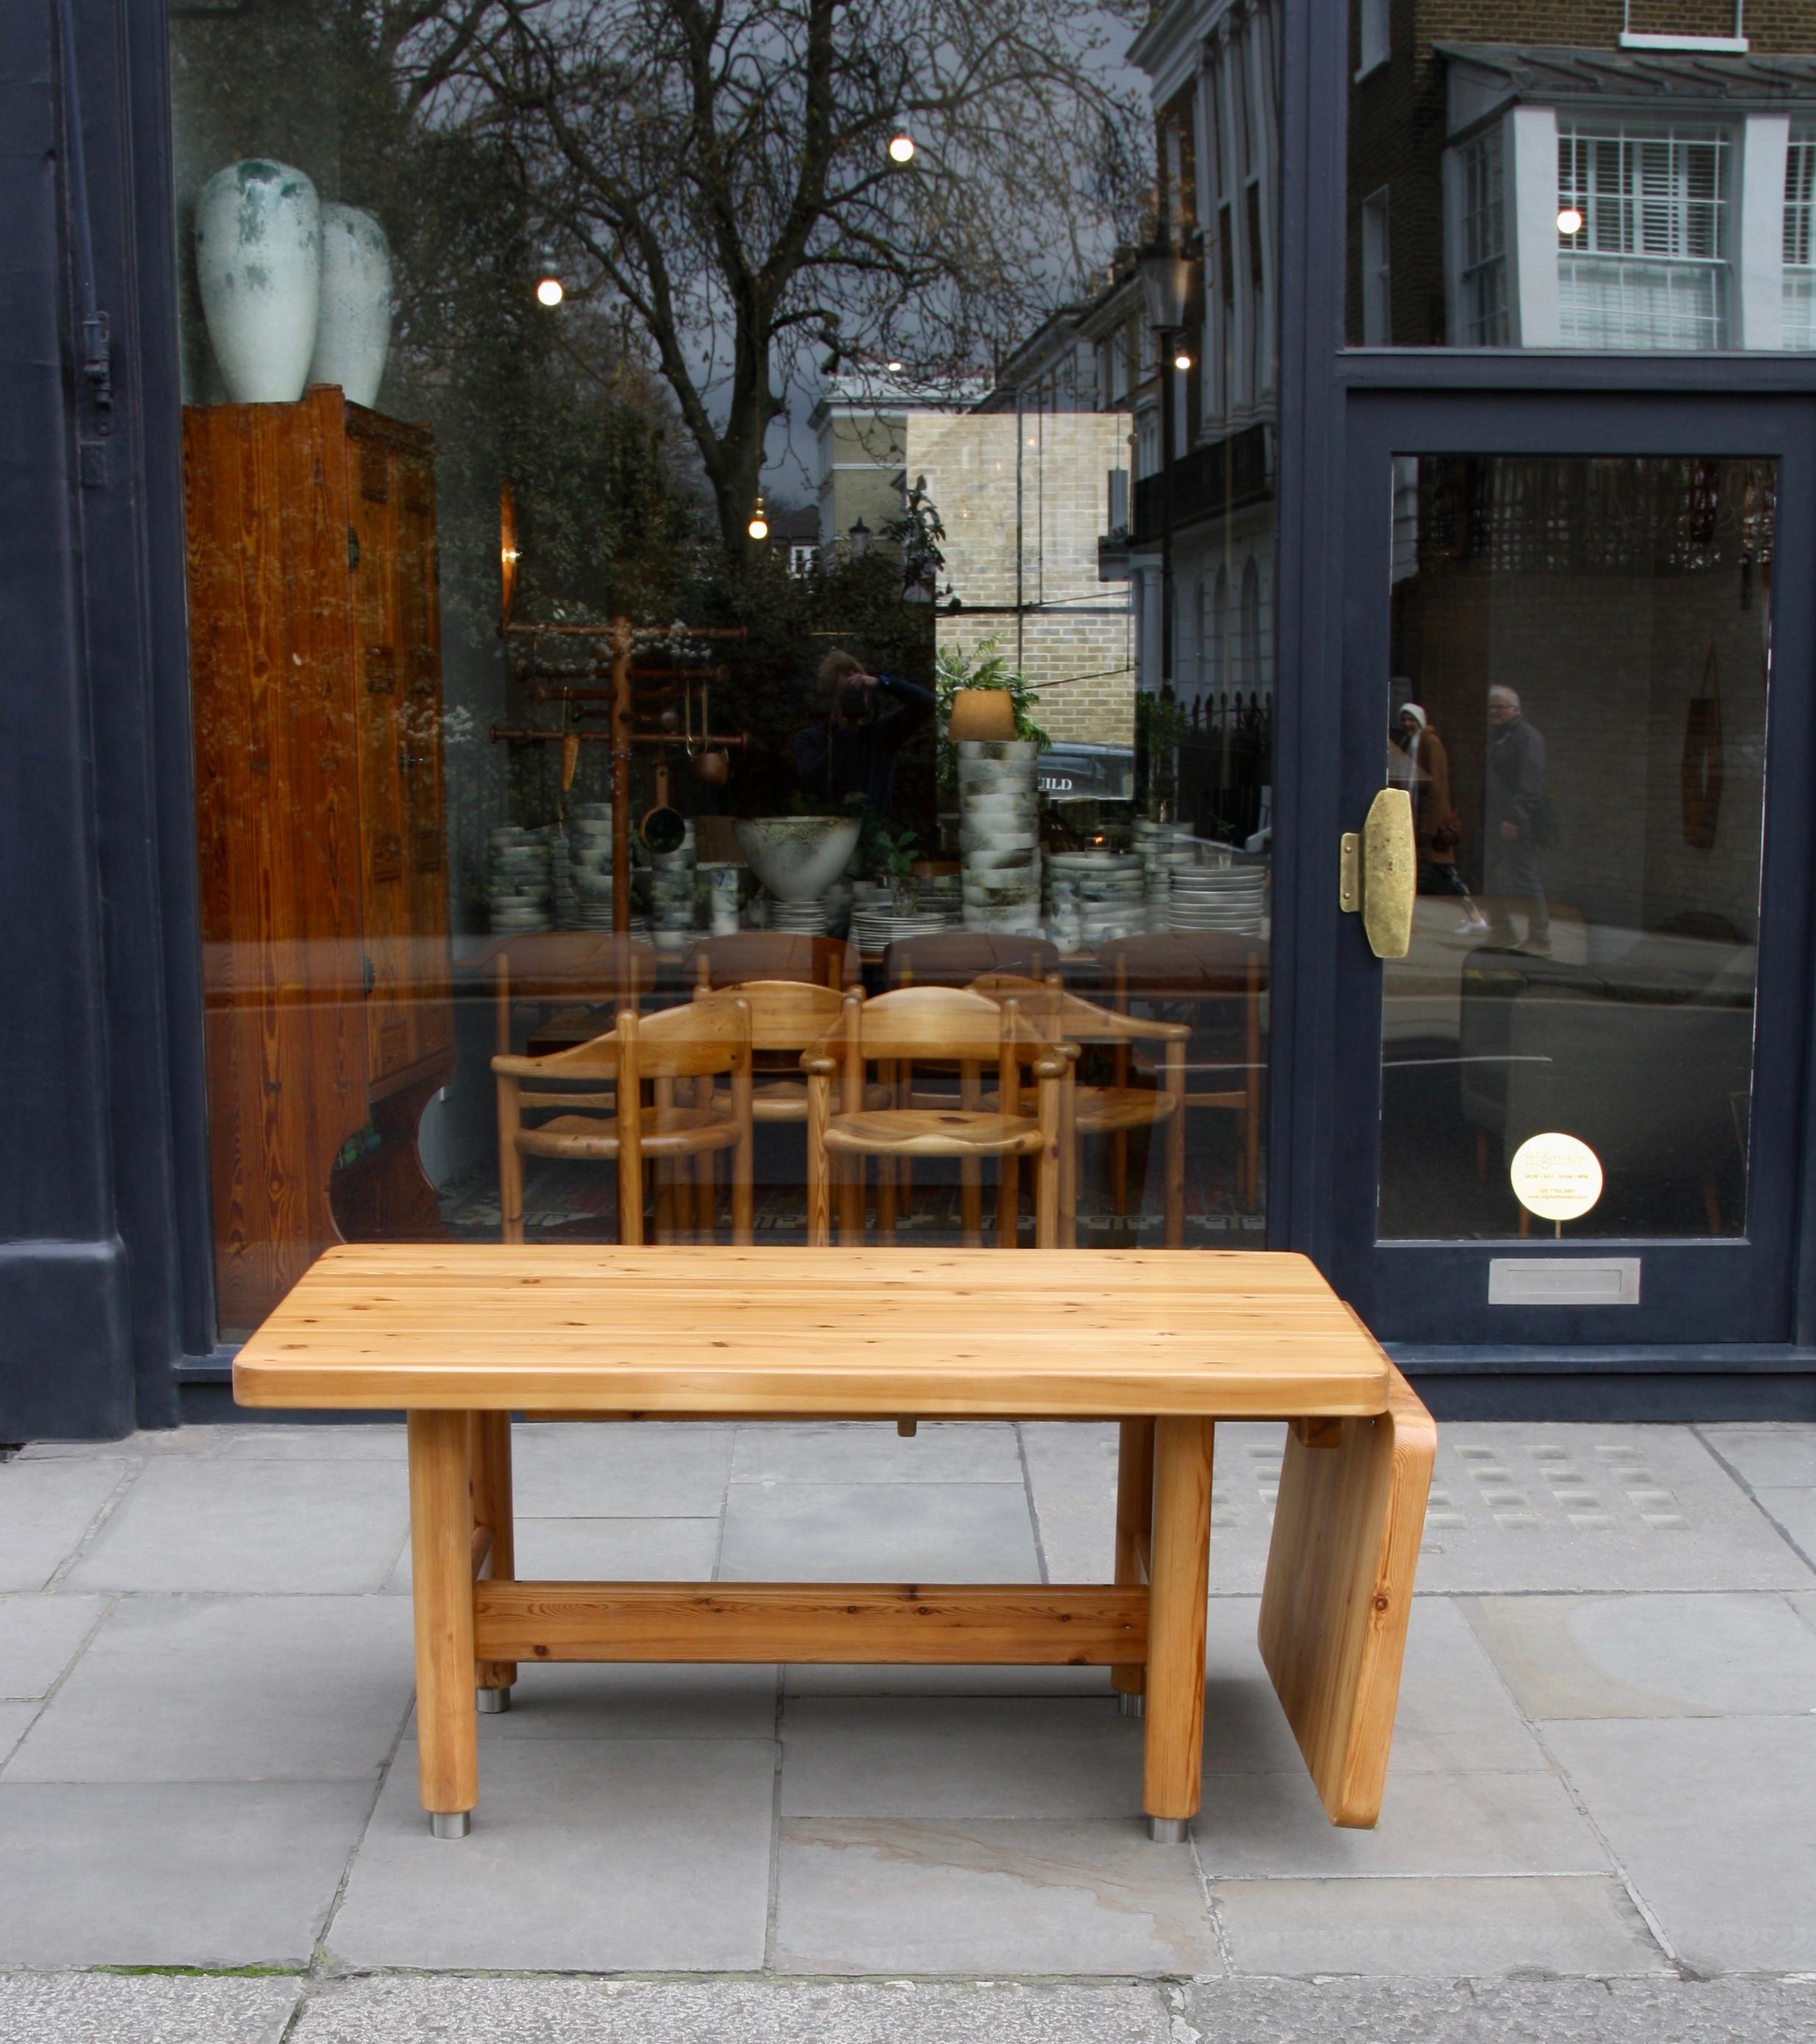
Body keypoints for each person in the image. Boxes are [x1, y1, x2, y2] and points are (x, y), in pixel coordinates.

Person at [792, 648, 936, 823]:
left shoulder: (881, 735)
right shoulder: (810, 739)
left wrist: (881, 683)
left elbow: (928, 703)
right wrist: (845, 732)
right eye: (846, 693)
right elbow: (815, 780)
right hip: (830, 841)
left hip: (873, 844)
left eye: (859, 693)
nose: (853, 698)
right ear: (831, 697)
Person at [1393, 700, 1488, 933]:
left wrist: (1430, 826)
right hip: (1416, 816)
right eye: (1404, 719)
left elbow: (1437, 786)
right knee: (1411, 869)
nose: (1407, 724)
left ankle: (1475, 917)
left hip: (1430, 820)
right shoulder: (1411, 743)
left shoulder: (1430, 743)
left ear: (1420, 721)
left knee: (1445, 869)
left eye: (1411, 719)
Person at [1480, 684, 1551, 954]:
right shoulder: (1501, 737)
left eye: (1501, 707)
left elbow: (1531, 784)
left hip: (1518, 821)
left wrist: (1515, 817)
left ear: (1516, 710)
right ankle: (1502, 930)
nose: (1495, 712)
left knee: (1525, 876)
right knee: (1491, 874)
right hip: (1496, 818)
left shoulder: (1527, 738)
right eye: (1492, 707)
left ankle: (1540, 936)